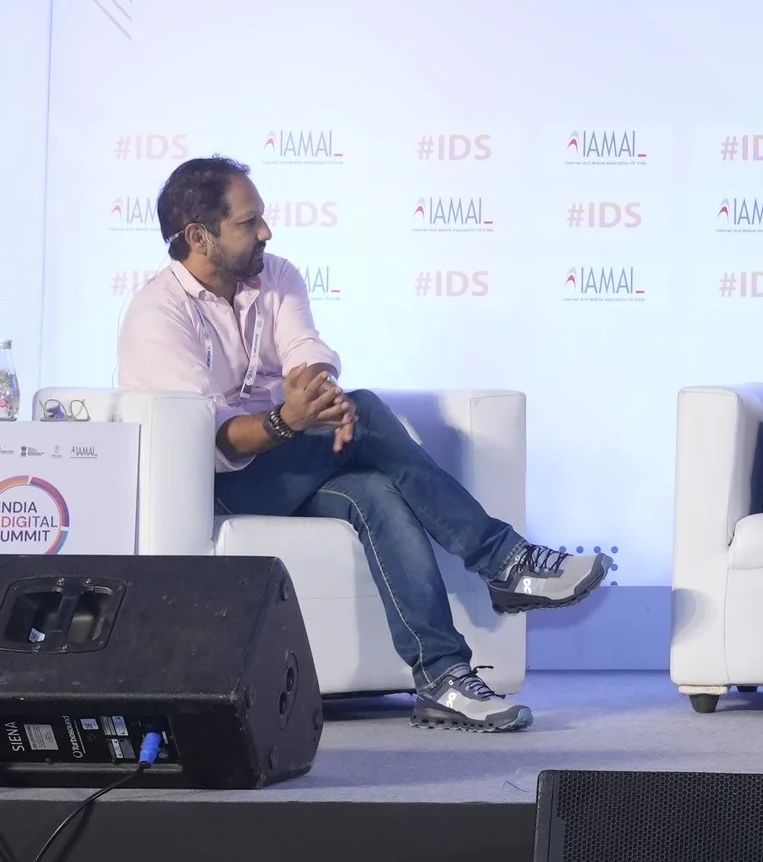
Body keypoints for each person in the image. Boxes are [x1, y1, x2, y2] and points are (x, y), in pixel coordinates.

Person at [117, 157, 607, 732]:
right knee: (368, 411)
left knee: (376, 492)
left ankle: (443, 678)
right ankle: (505, 561)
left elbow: (304, 349)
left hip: (286, 460)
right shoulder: (158, 316)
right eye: (248, 223)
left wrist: (321, 399)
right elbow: (211, 442)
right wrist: (291, 421)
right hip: (220, 485)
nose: (266, 232)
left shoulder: (275, 275)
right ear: (199, 236)